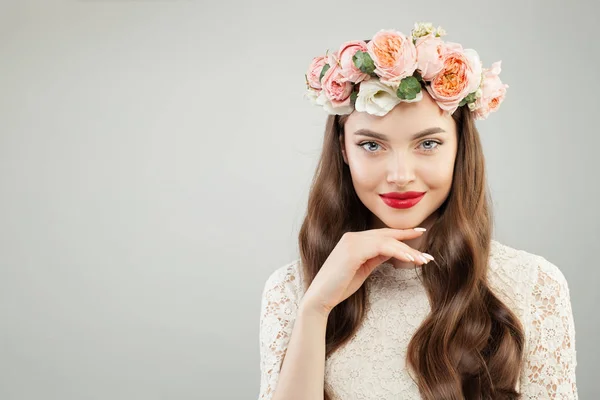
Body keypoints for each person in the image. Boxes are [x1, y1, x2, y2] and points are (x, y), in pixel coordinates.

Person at [257, 23, 578, 400]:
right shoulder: (291, 291)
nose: (400, 176)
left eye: (427, 143)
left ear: (460, 149)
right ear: (343, 150)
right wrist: (315, 309)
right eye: (371, 146)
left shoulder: (533, 284)